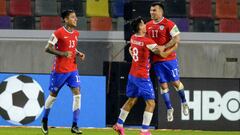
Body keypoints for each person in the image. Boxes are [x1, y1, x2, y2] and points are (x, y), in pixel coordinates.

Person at [113, 17, 164, 135]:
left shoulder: (133, 38)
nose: (145, 25)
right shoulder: (147, 41)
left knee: (131, 100)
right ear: (140, 27)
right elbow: (159, 52)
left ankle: (119, 124)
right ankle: (144, 131)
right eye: (143, 24)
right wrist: (168, 45)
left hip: (132, 75)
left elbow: (133, 49)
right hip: (142, 76)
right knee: (151, 103)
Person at [41, 10, 85, 135]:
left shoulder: (76, 33)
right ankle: (44, 120)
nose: (75, 19)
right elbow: (47, 48)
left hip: (72, 69)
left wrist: (78, 53)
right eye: (72, 17)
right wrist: (63, 54)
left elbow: (71, 47)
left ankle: (74, 125)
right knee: (53, 95)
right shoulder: (58, 33)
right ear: (65, 19)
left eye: (76, 17)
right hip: (59, 71)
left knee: (77, 93)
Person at [146, 2, 189, 122]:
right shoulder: (148, 25)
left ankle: (184, 102)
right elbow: (145, 40)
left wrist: (163, 47)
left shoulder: (169, 23)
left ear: (160, 11)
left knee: (175, 83)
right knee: (163, 85)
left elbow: (177, 39)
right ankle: (170, 109)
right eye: (151, 10)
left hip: (169, 59)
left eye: (154, 10)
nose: (151, 12)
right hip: (156, 60)